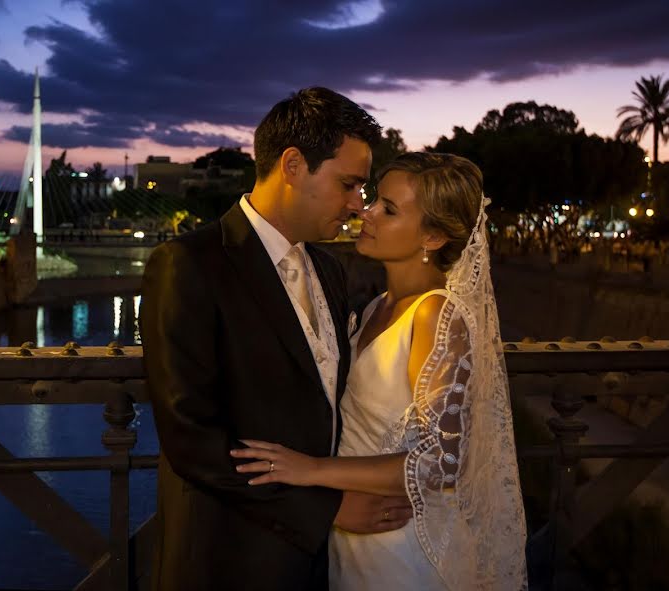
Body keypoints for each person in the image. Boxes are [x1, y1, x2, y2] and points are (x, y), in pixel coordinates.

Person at [140, 87, 412, 591]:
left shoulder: (329, 270)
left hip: (318, 564)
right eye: (349, 185)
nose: (359, 205)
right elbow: (192, 440)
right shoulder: (188, 266)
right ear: (292, 165)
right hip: (228, 561)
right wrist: (329, 506)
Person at [233, 153, 528, 590]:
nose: (365, 212)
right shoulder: (376, 308)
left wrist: (311, 471)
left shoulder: (437, 314)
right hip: (354, 539)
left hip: (402, 548)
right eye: (374, 200)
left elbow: (440, 464)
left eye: (388, 209)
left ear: (432, 237)